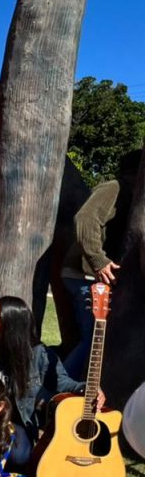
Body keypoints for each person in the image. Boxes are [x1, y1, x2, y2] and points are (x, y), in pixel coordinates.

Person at [0, 296, 89, 469]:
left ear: (10, 323)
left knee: (20, 456)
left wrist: (85, 389)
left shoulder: (38, 353)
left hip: (13, 421)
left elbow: (62, 383)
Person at [60, 150, 140, 380]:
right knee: (94, 338)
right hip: (84, 274)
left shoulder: (130, 195)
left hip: (94, 276)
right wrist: (99, 260)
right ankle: (58, 393)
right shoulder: (114, 188)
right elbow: (85, 219)